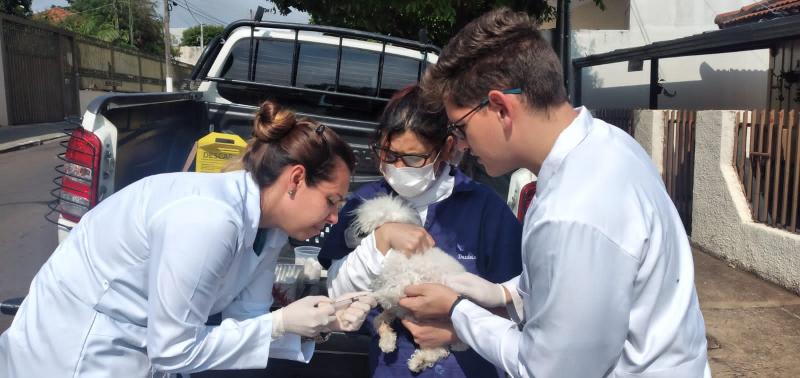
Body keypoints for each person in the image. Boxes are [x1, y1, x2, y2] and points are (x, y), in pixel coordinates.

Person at [397, 8, 711, 378]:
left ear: (500, 108)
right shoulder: (609, 144)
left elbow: (546, 370)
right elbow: (576, 291)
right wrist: (500, 295)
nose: (461, 144)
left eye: (460, 127)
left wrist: (458, 312)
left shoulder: (572, 209)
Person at [0, 101, 377, 377]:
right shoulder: (209, 220)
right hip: (76, 354)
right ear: (295, 179)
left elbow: (244, 320)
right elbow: (174, 352)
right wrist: (280, 324)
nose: (333, 216)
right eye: (331, 201)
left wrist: (321, 324)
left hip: (139, 351)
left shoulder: (271, 227)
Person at [318, 85, 523, 378]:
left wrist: (458, 331)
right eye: (388, 154)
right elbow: (337, 294)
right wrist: (379, 240)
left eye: (413, 159)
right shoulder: (363, 203)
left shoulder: (486, 209)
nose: (398, 166)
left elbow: (517, 303)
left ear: (447, 148)